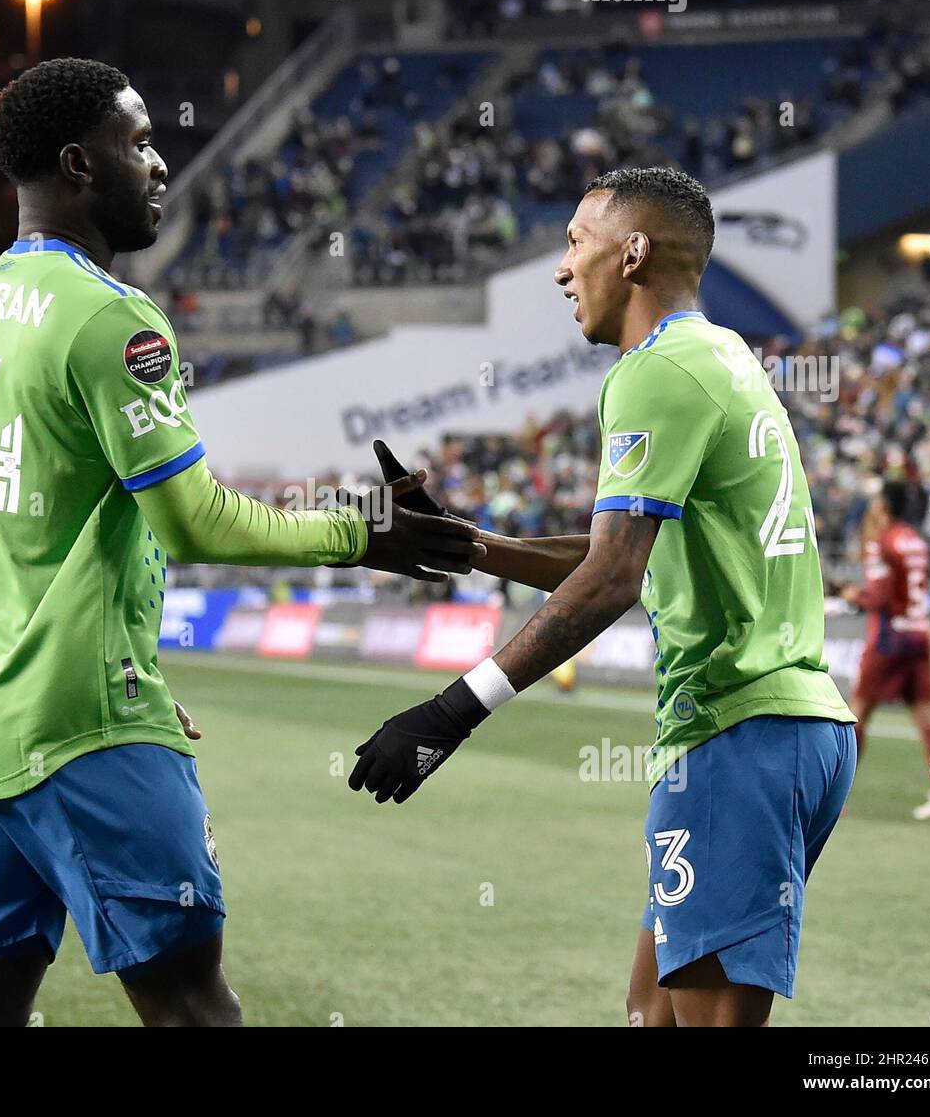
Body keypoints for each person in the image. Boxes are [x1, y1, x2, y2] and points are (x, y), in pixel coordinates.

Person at [0, 58, 479, 1028]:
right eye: (139, 143)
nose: (163, 163)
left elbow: (9, 524)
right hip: (82, 729)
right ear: (81, 164)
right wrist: (364, 532)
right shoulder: (113, 320)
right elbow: (195, 519)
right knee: (191, 1005)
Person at [349, 167, 857, 1027]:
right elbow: (620, 556)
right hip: (773, 733)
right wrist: (474, 547)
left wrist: (451, 711)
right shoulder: (719, 354)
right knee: (647, 1016)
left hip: (741, 736)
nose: (560, 269)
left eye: (576, 244)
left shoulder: (658, 372)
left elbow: (614, 575)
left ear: (632, 253)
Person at [843, 481, 930, 820]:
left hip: (889, 640)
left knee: (856, 718)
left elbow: (877, 597)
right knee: (929, 724)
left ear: (883, 506)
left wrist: (853, 596)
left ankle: (838, 796)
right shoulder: (916, 541)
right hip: (919, 636)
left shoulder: (884, 541)